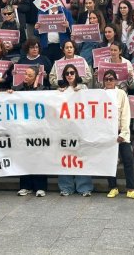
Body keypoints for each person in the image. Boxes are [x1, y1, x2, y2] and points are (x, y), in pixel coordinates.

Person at [103, 70, 134, 200]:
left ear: (115, 81)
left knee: (128, 160)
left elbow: (126, 114)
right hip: (107, 133)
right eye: (106, 79)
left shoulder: (121, 94)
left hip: (121, 131)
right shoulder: (100, 94)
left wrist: (124, 132)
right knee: (109, 161)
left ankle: (131, 189)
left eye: (111, 79)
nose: (108, 81)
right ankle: (113, 187)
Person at [8, 66, 47, 197]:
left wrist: (35, 87)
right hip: (23, 129)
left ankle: (40, 187)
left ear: (36, 77)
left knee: (38, 157)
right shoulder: (18, 89)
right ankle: (25, 186)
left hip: (38, 129)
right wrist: (9, 93)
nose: (26, 77)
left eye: (30, 75)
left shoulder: (43, 89)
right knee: (24, 157)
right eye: (25, 74)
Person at [57, 64, 93, 197]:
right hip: (65, 129)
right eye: (67, 73)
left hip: (81, 129)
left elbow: (90, 105)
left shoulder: (84, 88)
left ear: (76, 74)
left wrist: (82, 94)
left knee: (81, 157)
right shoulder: (61, 90)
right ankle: (66, 187)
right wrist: (59, 94)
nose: (70, 75)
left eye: (72, 72)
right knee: (65, 158)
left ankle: (84, 187)